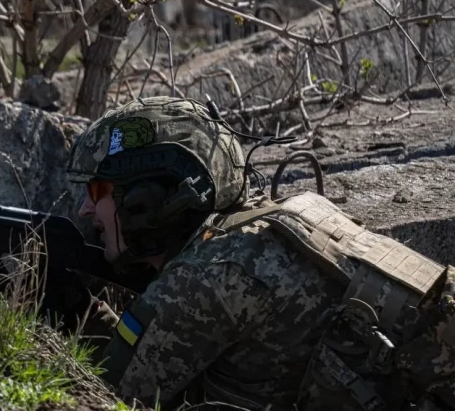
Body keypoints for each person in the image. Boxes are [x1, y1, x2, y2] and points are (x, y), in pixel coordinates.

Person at [65, 96, 455, 410]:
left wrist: (67, 310)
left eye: (97, 191)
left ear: (147, 200)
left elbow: (107, 395)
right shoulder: (297, 214)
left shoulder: (208, 275)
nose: (85, 209)